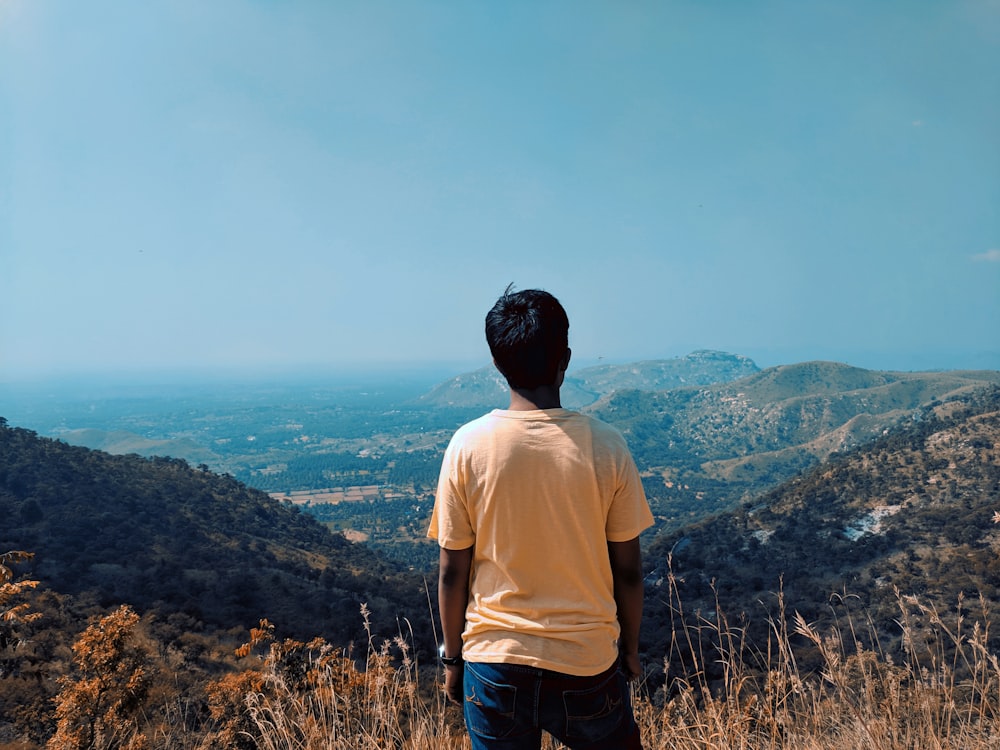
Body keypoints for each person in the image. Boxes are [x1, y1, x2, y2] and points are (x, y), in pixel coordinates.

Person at [428, 286, 654, 749]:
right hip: (586, 662)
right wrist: (629, 650)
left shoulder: (467, 447)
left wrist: (454, 661)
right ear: (565, 358)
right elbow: (628, 571)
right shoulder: (606, 445)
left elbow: (453, 572)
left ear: (497, 363)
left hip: (494, 663)